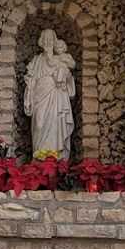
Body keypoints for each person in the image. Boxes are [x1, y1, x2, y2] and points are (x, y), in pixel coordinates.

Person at [23, 29, 76, 159]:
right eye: (45, 39)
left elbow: (69, 76)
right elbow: (31, 79)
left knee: (56, 126)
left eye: (50, 39)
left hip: (57, 96)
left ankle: (57, 160)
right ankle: (38, 160)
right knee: (39, 124)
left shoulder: (60, 59)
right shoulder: (36, 60)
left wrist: (65, 76)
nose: (48, 42)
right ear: (41, 42)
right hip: (39, 96)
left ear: (54, 41)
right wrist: (29, 93)